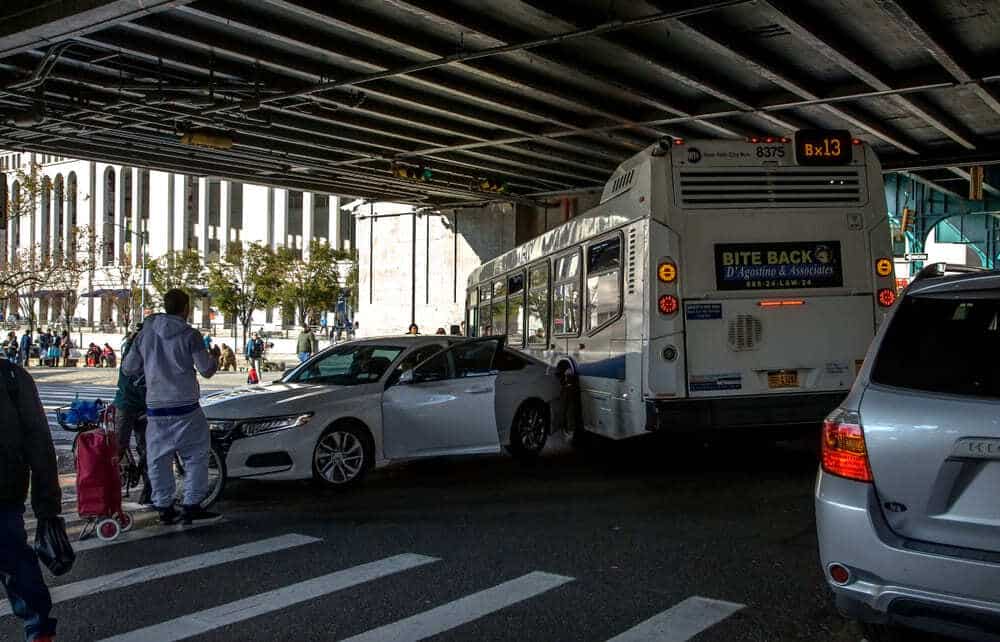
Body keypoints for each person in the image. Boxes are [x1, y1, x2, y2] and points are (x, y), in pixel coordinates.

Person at [122, 289, 219, 525]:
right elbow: (206, 370)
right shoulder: (190, 335)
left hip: (156, 405)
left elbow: (128, 368)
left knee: (158, 458)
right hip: (186, 405)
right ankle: (191, 504)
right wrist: (215, 356)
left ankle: (164, 506)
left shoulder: (145, 334)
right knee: (196, 455)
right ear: (185, 308)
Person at [0, 357, 62, 642]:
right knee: (15, 561)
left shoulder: (12, 377)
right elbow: (40, 443)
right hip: (7, 490)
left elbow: (40, 443)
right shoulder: (12, 377)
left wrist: (47, 505)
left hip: (4, 491)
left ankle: (39, 631)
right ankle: (38, 629)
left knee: (15, 560)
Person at [114, 326, 151, 505]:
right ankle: (110, 489)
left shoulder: (148, 347)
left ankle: (148, 490)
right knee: (119, 447)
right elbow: (129, 371)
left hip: (144, 403)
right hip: (127, 402)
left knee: (147, 447)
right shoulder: (134, 347)